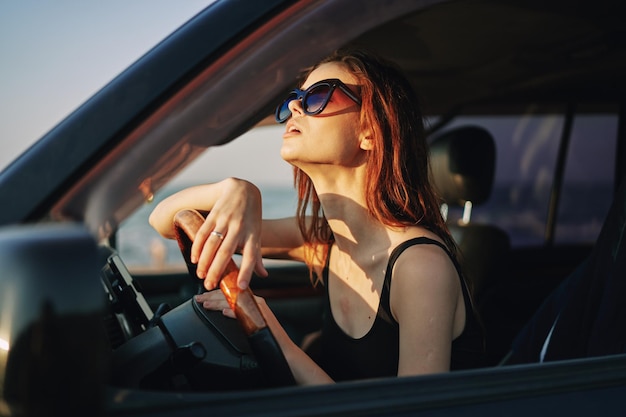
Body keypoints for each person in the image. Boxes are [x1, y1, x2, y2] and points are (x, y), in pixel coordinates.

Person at [149, 48, 484, 385]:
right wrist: (233, 190)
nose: (294, 106)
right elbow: (164, 220)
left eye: (318, 96)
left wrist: (274, 337)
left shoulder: (419, 266)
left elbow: (412, 412)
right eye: (294, 98)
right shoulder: (324, 240)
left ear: (370, 131)